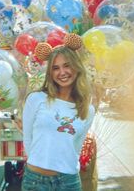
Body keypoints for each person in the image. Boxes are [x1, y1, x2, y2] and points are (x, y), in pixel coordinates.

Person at [21, 33, 95, 191]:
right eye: (55, 68)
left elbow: (76, 147)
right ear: (50, 73)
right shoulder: (36, 99)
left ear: (76, 67)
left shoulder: (87, 110)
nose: (62, 72)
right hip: (35, 181)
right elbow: (28, 139)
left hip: (69, 182)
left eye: (67, 65)